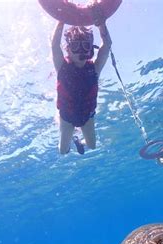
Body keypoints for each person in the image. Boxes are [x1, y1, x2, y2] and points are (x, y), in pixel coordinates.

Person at [51, 19, 112, 155]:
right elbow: (54, 45)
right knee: (63, 150)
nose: (81, 52)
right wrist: (61, 20)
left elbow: (107, 45)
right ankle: (73, 136)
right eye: (76, 46)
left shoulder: (94, 68)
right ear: (68, 49)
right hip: (67, 116)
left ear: (91, 48)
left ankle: (79, 141)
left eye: (86, 46)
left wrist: (101, 23)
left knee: (92, 146)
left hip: (87, 115)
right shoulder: (62, 66)